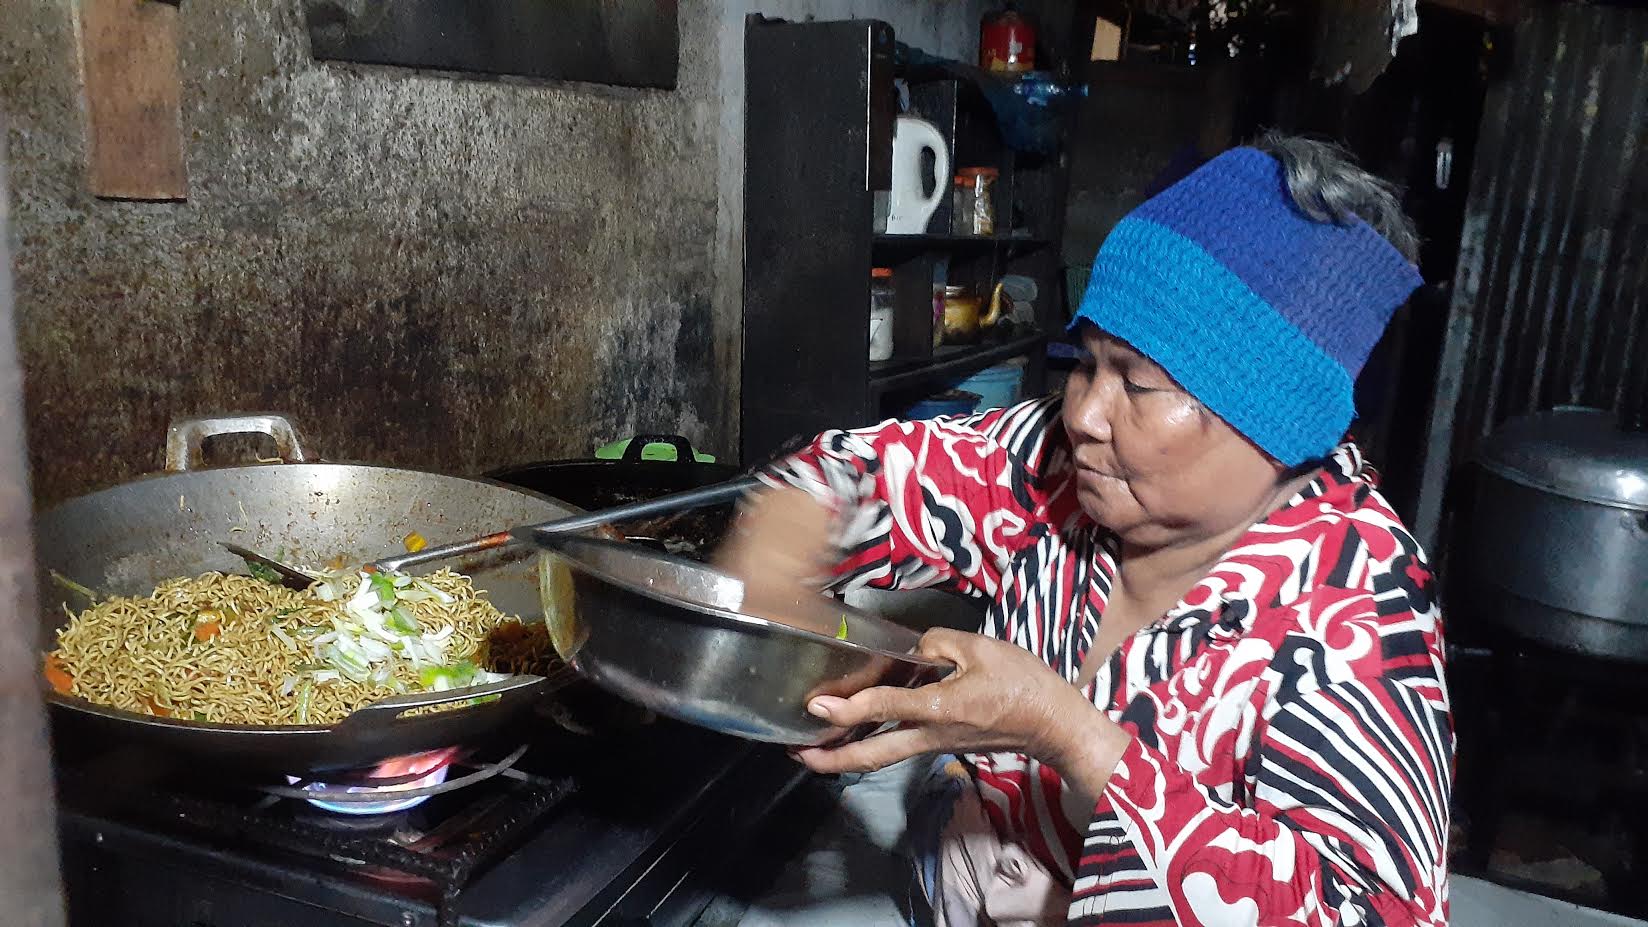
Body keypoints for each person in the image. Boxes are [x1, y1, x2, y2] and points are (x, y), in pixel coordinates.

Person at [721, 134, 1453, 926]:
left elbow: (1372, 911)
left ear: (1278, 428)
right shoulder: (1059, 469)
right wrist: (780, 561)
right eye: (1085, 361)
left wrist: (1069, 736)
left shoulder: (1358, 608)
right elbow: (861, 473)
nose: (1083, 413)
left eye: (1137, 382)